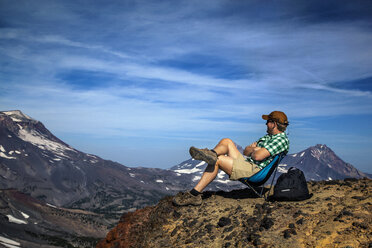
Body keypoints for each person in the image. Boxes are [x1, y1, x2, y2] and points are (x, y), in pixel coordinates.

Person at [173, 111, 289, 206]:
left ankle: (194, 195)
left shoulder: (281, 140)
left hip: (255, 171)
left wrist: (255, 150)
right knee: (226, 141)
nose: (265, 124)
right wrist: (255, 149)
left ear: (274, 124)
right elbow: (246, 151)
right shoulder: (267, 137)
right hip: (248, 163)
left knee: (218, 160)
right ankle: (211, 154)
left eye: (268, 121)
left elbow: (257, 156)